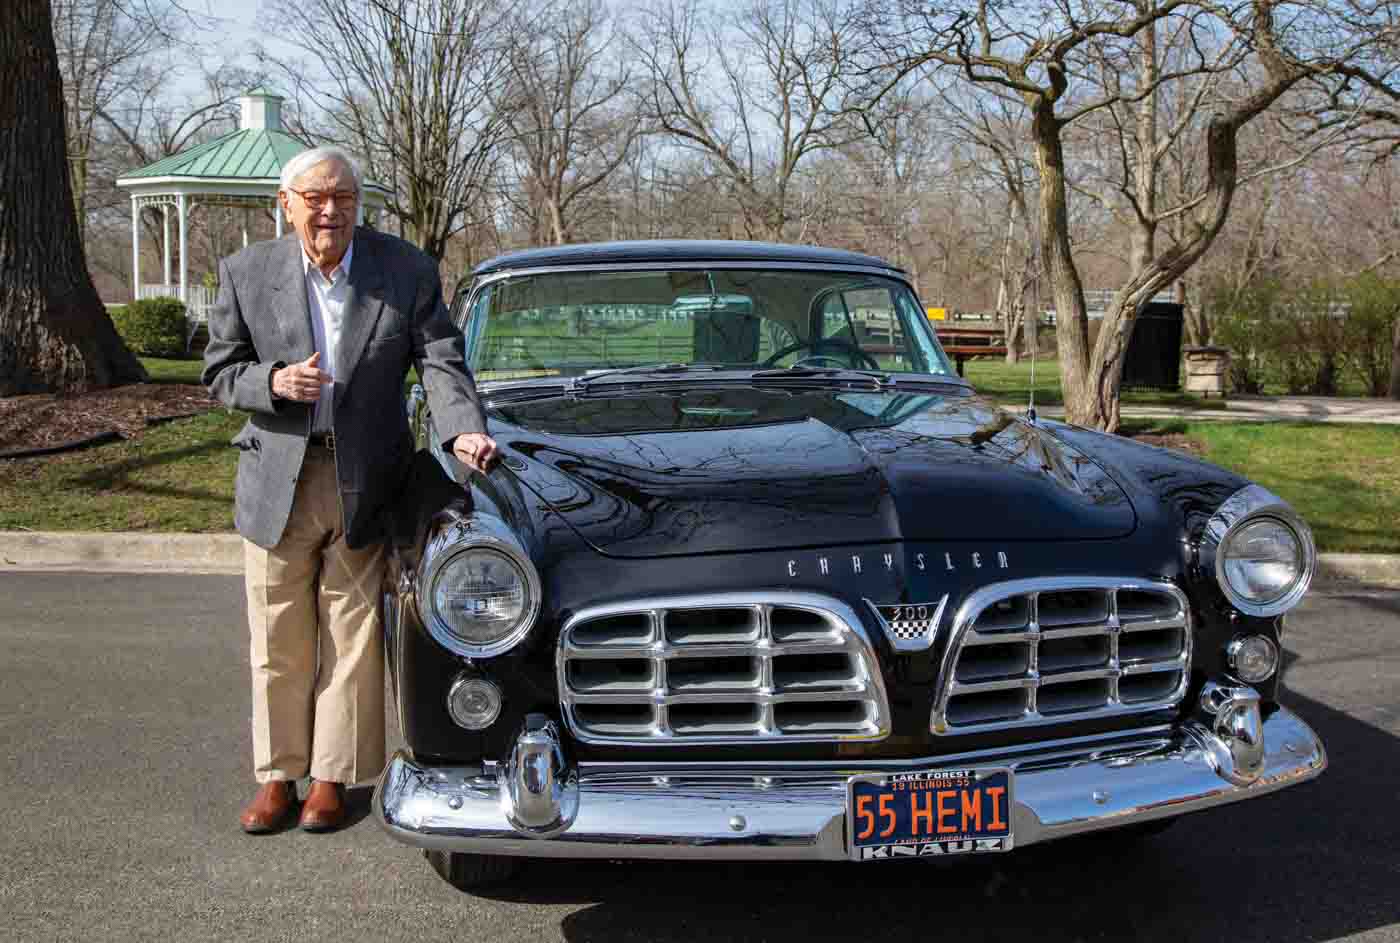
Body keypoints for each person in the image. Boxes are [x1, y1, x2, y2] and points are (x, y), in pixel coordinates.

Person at [203, 145, 498, 833]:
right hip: (279, 477)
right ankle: (278, 775)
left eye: (343, 197)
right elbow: (220, 371)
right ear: (287, 204)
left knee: (351, 635)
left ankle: (331, 778)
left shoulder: (404, 269)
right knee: (278, 637)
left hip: (366, 477)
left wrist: (460, 431)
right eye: (315, 198)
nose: (330, 210)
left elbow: (440, 360)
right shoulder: (248, 272)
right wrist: (272, 382)